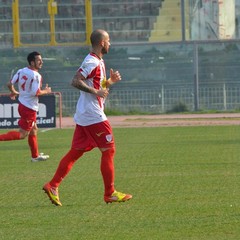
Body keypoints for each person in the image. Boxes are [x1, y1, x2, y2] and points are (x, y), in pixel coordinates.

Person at [43, 29, 132, 206]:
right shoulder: (91, 61)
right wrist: (96, 91)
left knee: (76, 152)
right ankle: (110, 193)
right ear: (101, 43)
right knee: (109, 150)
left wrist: (109, 83)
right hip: (93, 115)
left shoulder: (98, 61)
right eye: (108, 40)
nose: (110, 43)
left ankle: (52, 185)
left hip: (86, 113)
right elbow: (76, 81)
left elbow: (97, 85)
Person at [0, 51, 51, 162]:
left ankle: (35, 156)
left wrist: (13, 91)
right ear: (32, 62)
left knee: (34, 129)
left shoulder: (21, 71)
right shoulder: (36, 76)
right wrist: (46, 91)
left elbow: (9, 84)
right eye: (38, 60)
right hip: (29, 108)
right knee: (23, 134)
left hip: (23, 105)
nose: (41, 62)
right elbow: (36, 92)